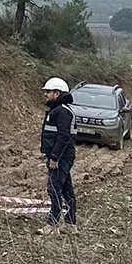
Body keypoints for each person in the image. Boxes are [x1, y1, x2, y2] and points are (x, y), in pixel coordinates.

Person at [40, 76, 77, 232]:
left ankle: (52, 224)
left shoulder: (62, 112)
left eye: (48, 91)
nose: (45, 94)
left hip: (61, 157)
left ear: (57, 93)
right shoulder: (58, 110)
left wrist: (55, 157)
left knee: (54, 188)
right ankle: (70, 224)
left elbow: (63, 136)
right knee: (66, 189)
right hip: (61, 156)